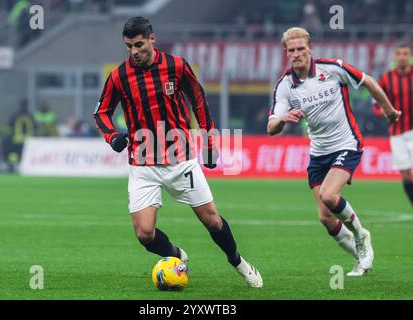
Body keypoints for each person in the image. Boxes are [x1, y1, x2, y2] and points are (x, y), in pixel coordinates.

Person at [93, 17, 263, 288]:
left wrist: (209, 142)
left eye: (138, 44)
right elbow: (101, 111)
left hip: (180, 160)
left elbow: (199, 101)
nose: (134, 52)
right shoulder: (119, 76)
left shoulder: (177, 66)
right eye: (129, 47)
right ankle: (176, 256)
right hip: (143, 163)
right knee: (145, 234)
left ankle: (238, 261)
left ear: (152, 39)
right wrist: (112, 136)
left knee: (213, 222)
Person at [267, 27, 401, 276]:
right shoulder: (285, 85)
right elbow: (271, 126)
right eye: (292, 50)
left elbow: (368, 81)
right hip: (318, 152)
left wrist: (390, 111)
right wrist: (283, 119)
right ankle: (361, 258)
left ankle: (361, 235)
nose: (297, 54)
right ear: (286, 53)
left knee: (329, 196)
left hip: (346, 143)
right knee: (326, 218)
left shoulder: (333, 69)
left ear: (310, 49)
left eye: (301, 49)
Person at [371, 43, 413, 207]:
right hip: (397, 133)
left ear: (410, 57)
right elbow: (375, 102)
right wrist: (380, 111)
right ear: (395, 57)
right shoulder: (386, 79)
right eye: (399, 54)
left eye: (405, 54)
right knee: (406, 175)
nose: (402, 57)